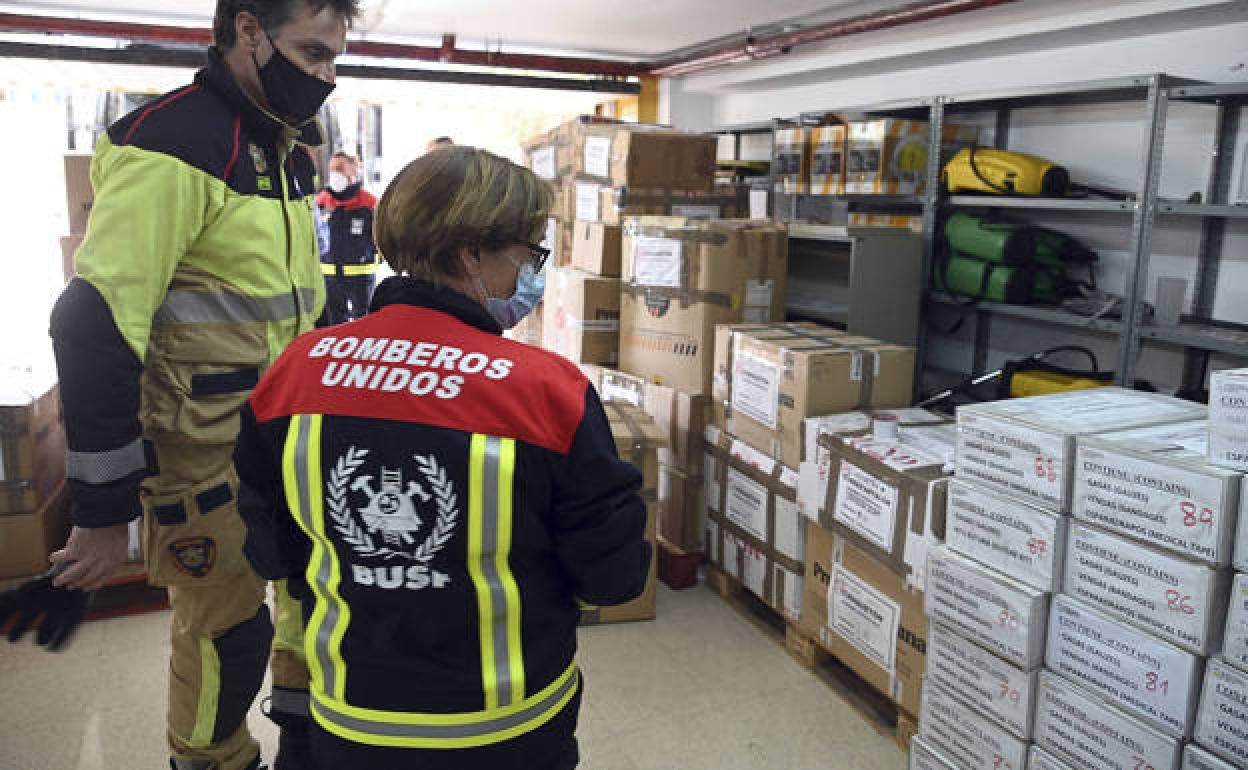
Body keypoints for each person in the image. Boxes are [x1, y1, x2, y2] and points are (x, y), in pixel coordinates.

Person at [233, 145, 651, 770]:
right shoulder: (545, 391)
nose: (531, 277)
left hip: (352, 718)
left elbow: (272, 550)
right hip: (508, 726)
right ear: (471, 253)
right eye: (528, 255)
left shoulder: (296, 372)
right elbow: (612, 577)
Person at [46, 1, 360, 768]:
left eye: (333, 61)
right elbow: (94, 322)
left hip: (286, 442)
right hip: (204, 455)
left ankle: (303, 738)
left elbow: (284, 306)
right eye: (313, 54)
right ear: (248, 31)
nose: (324, 78)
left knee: (306, 600)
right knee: (227, 632)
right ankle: (211, 760)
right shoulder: (172, 142)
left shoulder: (286, 151)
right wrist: (100, 511)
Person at [316, 151, 380, 324]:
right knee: (333, 325)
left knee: (365, 325)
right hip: (329, 277)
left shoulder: (370, 203)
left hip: (361, 278)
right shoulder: (321, 202)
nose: (334, 175)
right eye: (332, 170)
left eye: (339, 169)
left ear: (354, 171)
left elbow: (381, 239)